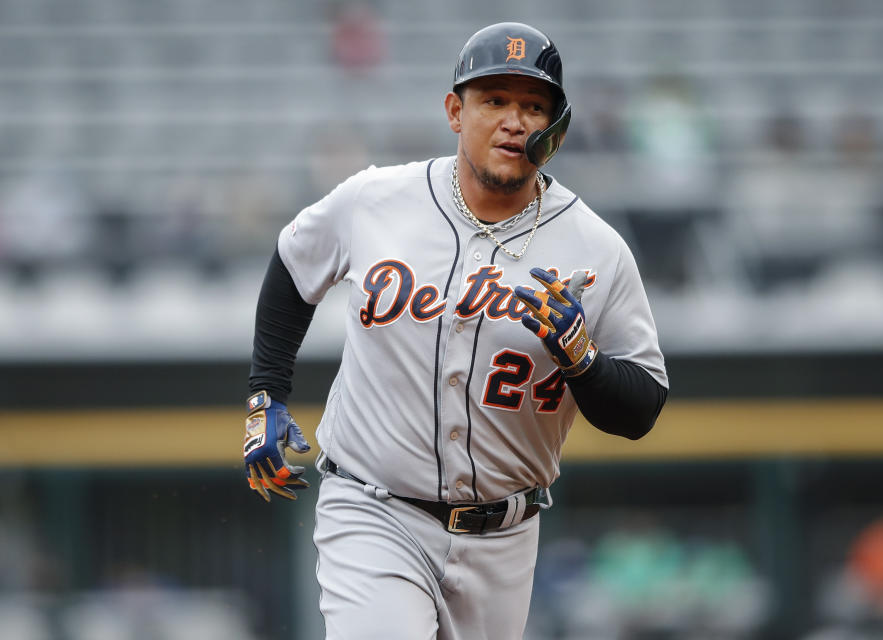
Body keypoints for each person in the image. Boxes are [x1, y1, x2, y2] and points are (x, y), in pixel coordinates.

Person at [242, 22, 669, 640]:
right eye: (494, 100)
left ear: (558, 127)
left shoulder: (596, 249)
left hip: (506, 536)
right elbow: (292, 262)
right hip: (373, 506)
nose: (514, 121)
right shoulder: (375, 200)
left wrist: (584, 360)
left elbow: (642, 407)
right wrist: (266, 393)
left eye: (533, 105)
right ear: (454, 110)